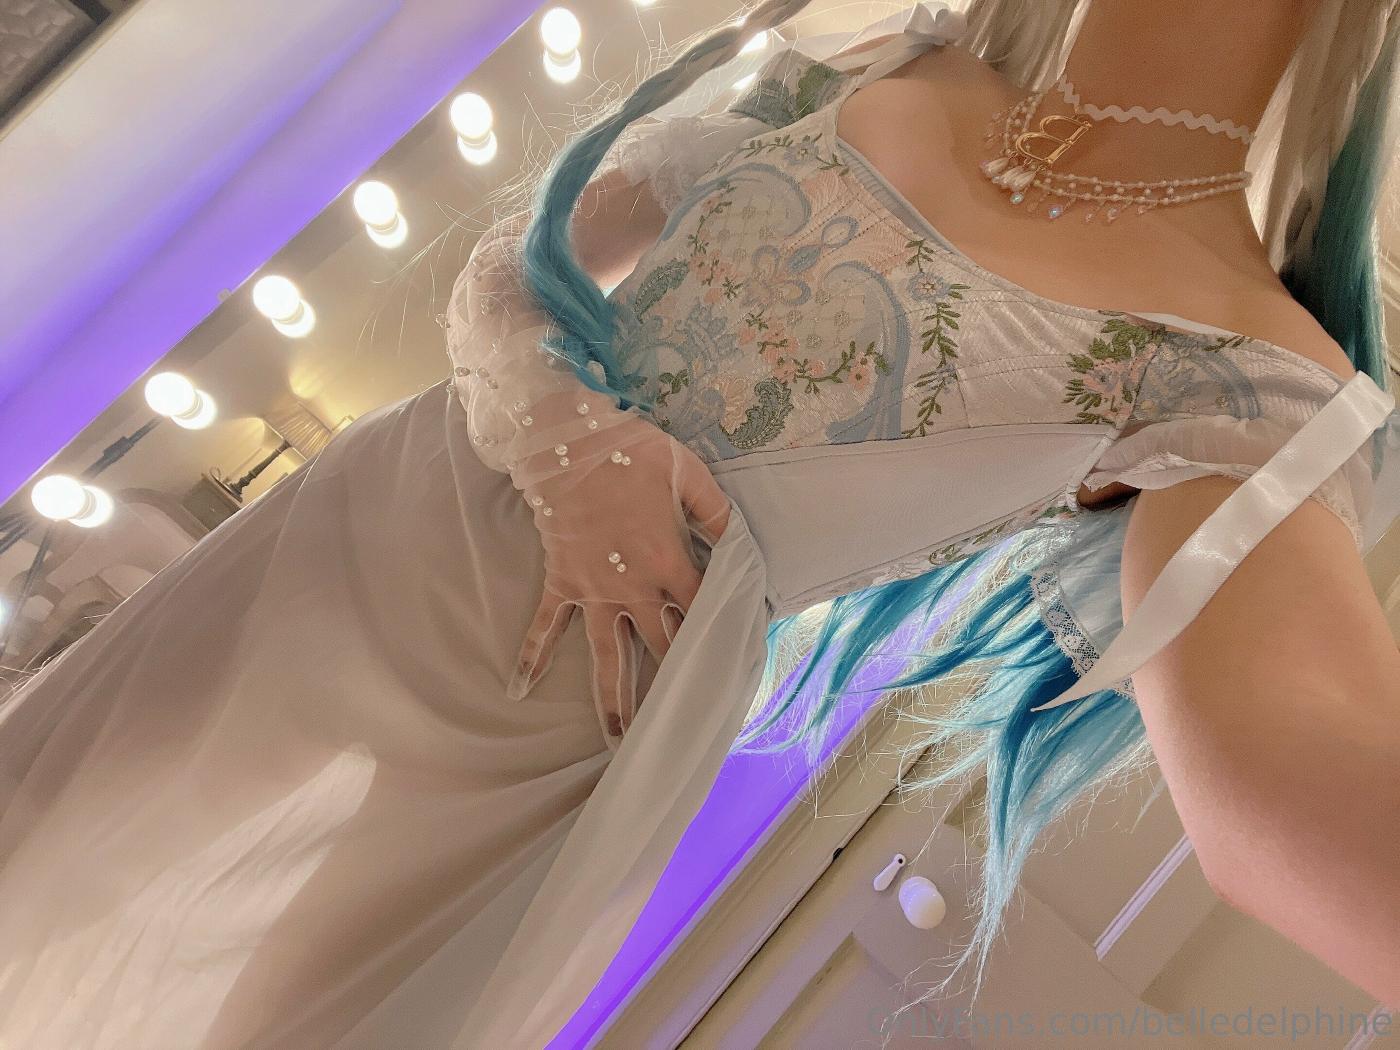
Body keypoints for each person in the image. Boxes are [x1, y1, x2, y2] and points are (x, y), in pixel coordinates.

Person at [0, 1, 1397, 1046]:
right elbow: (514, 267)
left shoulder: (1247, 373)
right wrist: (564, 437)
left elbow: (1282, 771)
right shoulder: (885, 61)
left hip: (555, 720)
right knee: (38, 849)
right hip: (364, 530)